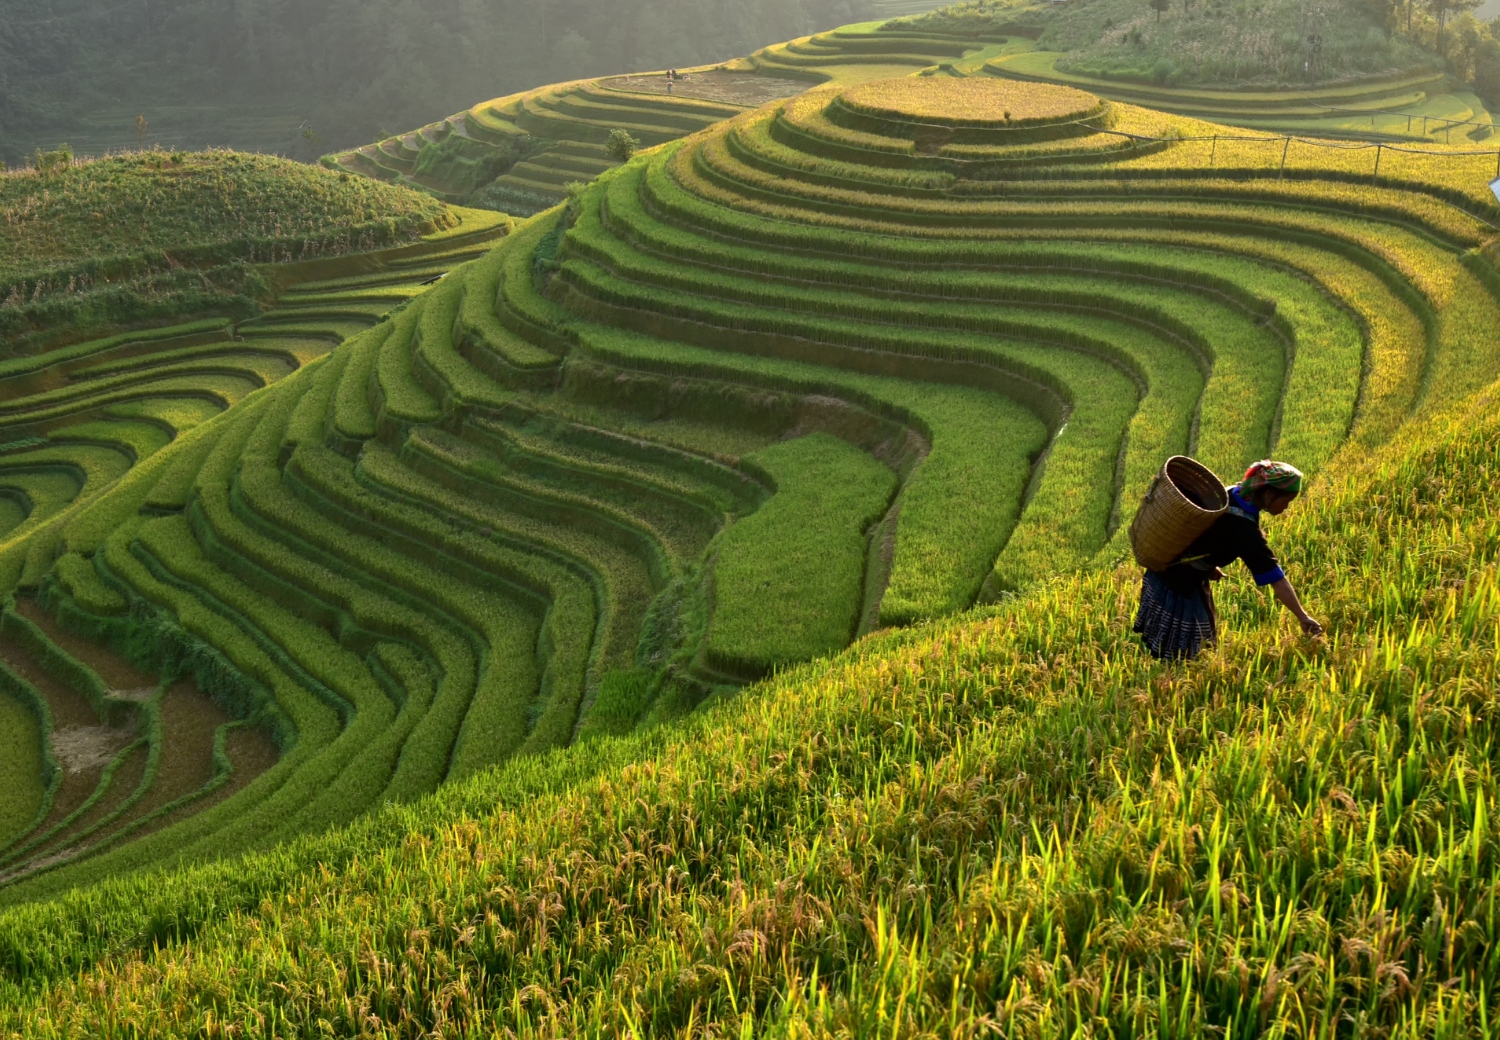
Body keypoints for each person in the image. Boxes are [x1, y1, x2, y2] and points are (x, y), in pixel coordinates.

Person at [1134, 459, 1323, 660]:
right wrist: (1303, 617)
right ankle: (1178, 684)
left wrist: (1208, 564)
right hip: (1180, 583)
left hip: (1168, 568)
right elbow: (1276, 577)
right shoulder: (1244, 528)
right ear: (1269, 494)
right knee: (1194, 652)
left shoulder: (1233, 493)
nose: (1286, 507)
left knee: (1185, 647)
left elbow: (1208, 532)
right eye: (1286, 501)